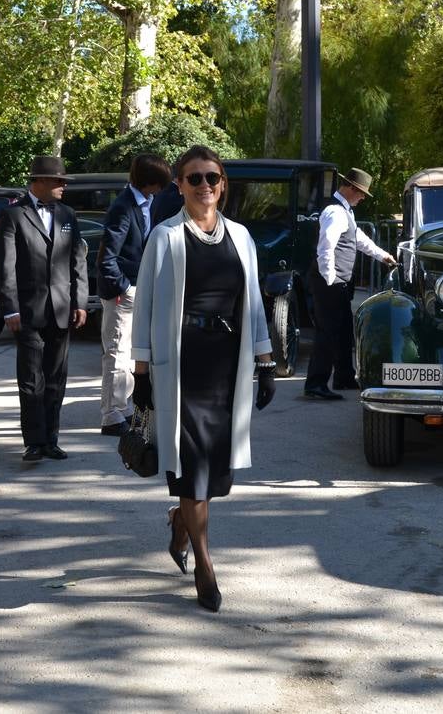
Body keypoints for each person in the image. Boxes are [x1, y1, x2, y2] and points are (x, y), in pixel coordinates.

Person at [131, 145, 277, 612]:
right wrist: (139, 372)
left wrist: (266, 360)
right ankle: (205, 566)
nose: (204, 186)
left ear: (223, 183)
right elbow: (146, 306)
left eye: (212, 177)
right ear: (179, 185)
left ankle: (180, 523)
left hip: (225, 365)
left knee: (213, 472)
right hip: (181, 365)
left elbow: (253, 302)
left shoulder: (241, 237)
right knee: (192, 468)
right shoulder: (164, 236)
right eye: (194, 178)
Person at [0, 155, 88, 462]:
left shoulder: (68, 215)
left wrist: (80, 301)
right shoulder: (13, 214)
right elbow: (4, 265)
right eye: (58, 181)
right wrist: (9, 308)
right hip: (27, 310)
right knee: (32, 378)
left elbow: (78, 261)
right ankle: (33, 441)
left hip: (62, 308)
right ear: (40, 182)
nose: (63, 187)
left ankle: (51, 439)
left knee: (56, 377)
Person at [302, 167, 396, 401]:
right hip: (331, 282)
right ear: (351, 188)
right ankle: (315, 383)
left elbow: (360, 240)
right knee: (327, 331)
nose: (363, 197)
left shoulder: (345, 212)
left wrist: (383, 255)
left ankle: (344, 376)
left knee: (343, 330)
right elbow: (326, 247)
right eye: (362, 192)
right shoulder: (335, 212)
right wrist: (330, 278)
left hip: (338, 282)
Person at [97, 154, 171, 436]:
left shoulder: (147, 203)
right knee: (116, 351)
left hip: (138, 288)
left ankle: (122, 406)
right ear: (152, 182)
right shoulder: (123, 208)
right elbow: (107, 257)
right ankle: (111, 414)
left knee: (129, 352)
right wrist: (124, 287)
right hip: (123, 292)